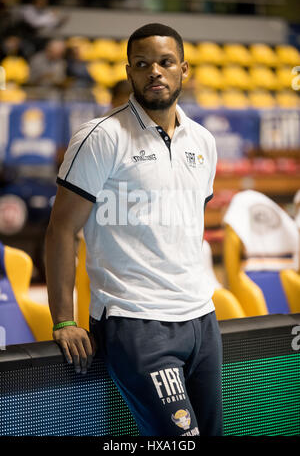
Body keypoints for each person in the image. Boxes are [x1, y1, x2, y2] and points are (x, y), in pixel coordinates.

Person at [45, 23, 223, 437]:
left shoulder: (204, 142)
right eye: (142, 64)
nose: (154, 72)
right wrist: (63, 319)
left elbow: (188, 223)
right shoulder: (100, 138)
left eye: (165, 62)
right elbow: (61, 230)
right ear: (130, 73)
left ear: (184, 69)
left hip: (201, 319)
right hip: (134, 320)